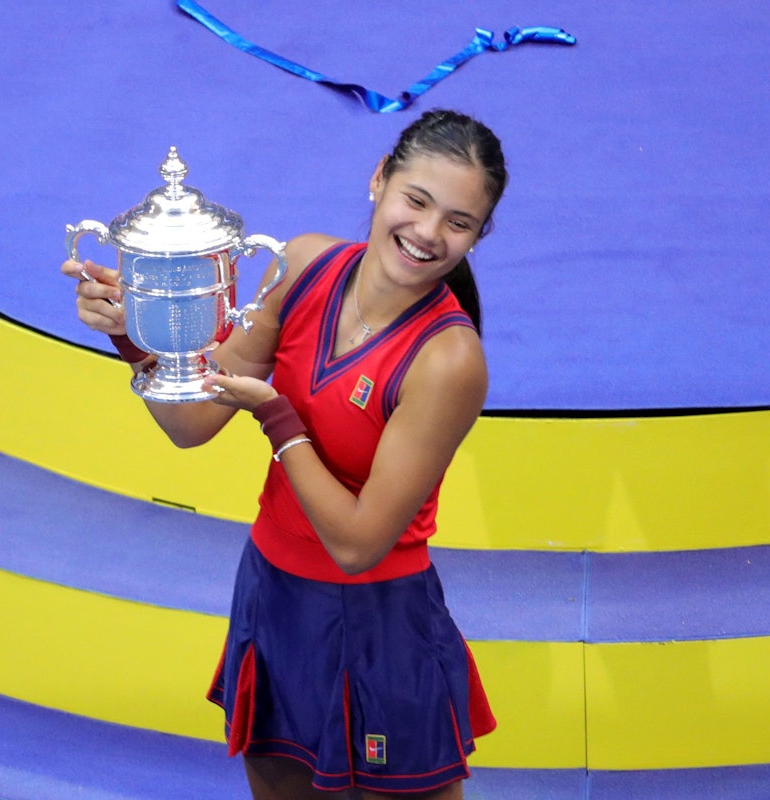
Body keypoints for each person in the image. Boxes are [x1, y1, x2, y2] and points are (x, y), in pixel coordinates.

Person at [62, 108, 508, 800]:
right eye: (415, 200)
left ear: (477, 237)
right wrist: (140, 338)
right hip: (273, 597)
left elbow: (358, 544)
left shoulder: (449, 361)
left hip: (379, 623)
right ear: (378, 181)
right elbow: (193, 422)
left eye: (457, 221)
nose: (426, 233)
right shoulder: (299, 263)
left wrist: (277, 416)